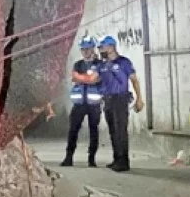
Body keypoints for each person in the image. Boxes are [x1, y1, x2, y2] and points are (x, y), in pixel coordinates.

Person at [97, 34, 143, 173]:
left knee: (120, 130)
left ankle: (124, 162)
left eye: (102, 47)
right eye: (99, 48)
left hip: (120, 99)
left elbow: (134, 80)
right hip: (108, 100)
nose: (100, 50)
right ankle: (116, 158)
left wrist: (139, 98)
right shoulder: (103, 65)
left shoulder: (124, 62)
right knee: (112, 130)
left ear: (111, 47)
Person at [61, 36, 102, 167]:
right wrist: (88, 78)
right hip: (79, 104)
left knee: (93, 131)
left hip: (94, 104)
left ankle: (91, 159)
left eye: (88, 49)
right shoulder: (78, 64)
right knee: (73, 130)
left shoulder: (99, 64)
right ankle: (69, 157)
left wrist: (82, 78)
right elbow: (76, 77)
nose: (85, 51)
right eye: (83, 49)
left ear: (93, 49)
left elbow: (95, 79)